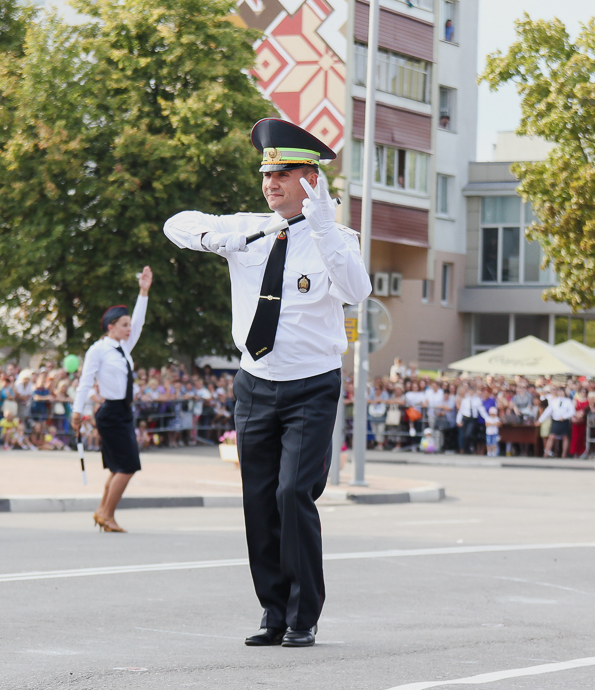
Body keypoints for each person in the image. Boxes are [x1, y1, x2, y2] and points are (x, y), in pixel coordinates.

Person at [163, 118, 372, 648]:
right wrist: (217, 237)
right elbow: (176, 223)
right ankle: (273, 612)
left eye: (283, 174)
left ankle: (304, 615)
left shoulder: (336, 240)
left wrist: (323, 226)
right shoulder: (249, 228)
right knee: (258, 499)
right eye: (266, 173)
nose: (270, 183)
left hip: (310, 385)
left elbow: (357, 289)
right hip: (255, 383)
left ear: (313, 180)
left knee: (291, 493)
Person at [70, 266, 153, 533]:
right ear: (111, 327)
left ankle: (103, 512)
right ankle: (107, 514)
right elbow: (85, 382)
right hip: (110, 412)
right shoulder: (99, 349)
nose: (130, 328)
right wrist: (76, 412)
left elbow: (139, 322)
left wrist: (143, 292)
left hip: (122, 411)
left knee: (119, 467)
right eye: (124, 325)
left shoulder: (123, 347)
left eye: (129, 325)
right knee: (127, 467)